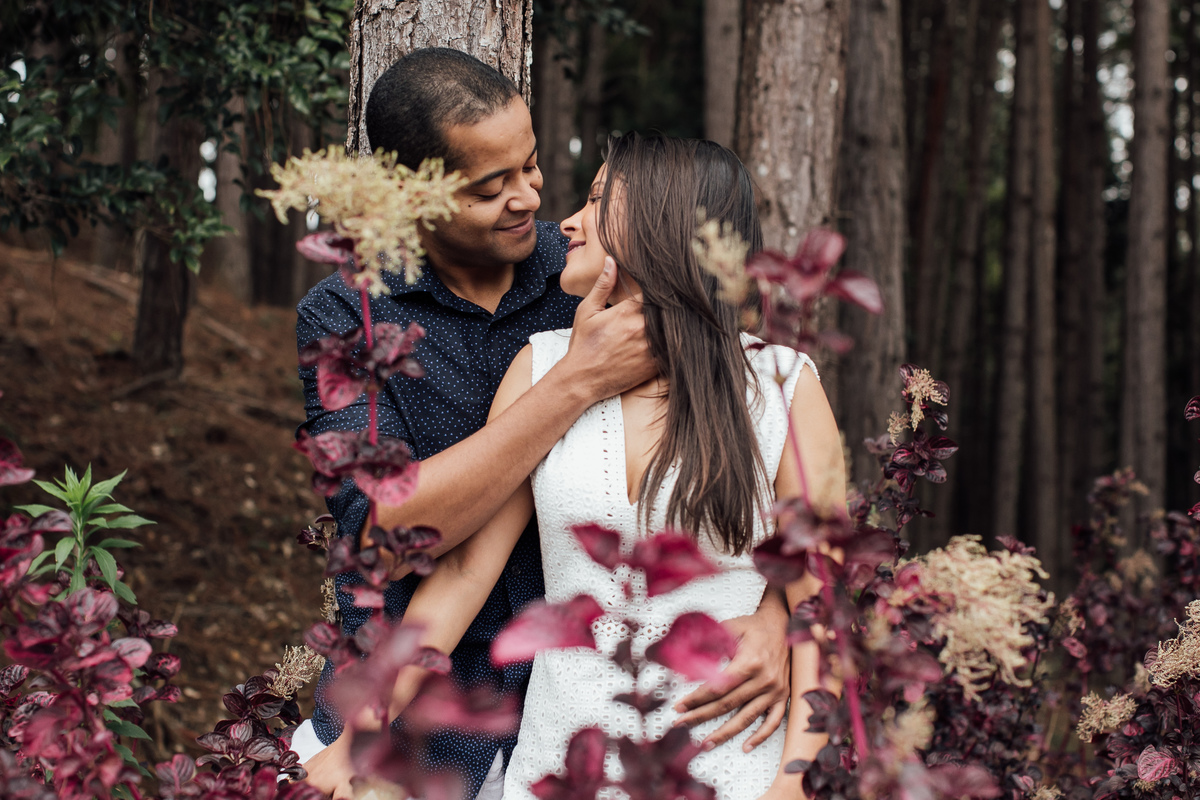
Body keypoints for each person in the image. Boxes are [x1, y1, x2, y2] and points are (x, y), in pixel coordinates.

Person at [293, 49, 793, 799]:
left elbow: (771, 466)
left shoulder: (592, 269)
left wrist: (781, 617)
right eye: (493, 186)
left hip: (605, 712)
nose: (533, 199)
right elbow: (385, 540)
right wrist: (575, 382)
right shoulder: (349, 315)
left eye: (530, 166)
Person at [390, 133, 843, 800]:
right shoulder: (541, 368)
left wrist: (794, 789)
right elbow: (462, 573)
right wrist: (356, 727)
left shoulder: (783, 385)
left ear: (662, 224)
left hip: (730, 775)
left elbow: (824, 606)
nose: (566, 220)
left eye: (598, 199)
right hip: (557, 769)